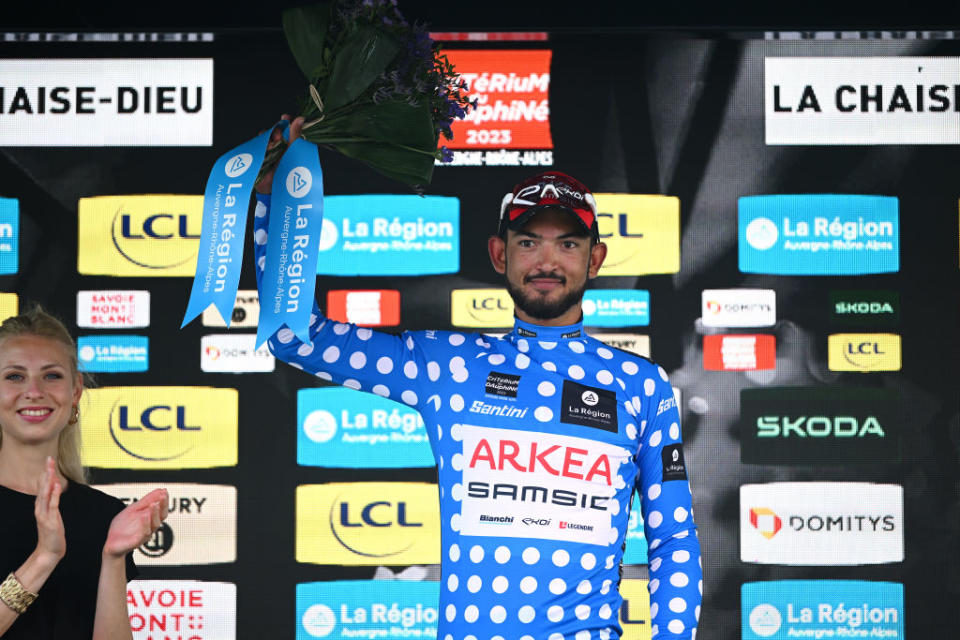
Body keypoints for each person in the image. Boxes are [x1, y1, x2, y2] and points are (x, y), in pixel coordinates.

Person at [256, 116, 702, 639]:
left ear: (595, 259)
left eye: (569, 244)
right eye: (529, 242)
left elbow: (673, 540)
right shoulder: (447, 364)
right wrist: (273, 199)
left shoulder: (640, 384)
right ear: (500, 254)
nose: (547, 261)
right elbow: (294, 336)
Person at [0, 307, 169, 640]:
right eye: (14, 376)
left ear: (75, 390)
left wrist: (113, 557)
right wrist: (44, 557)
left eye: (52, 375)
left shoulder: (104, 516)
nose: (34, 391)